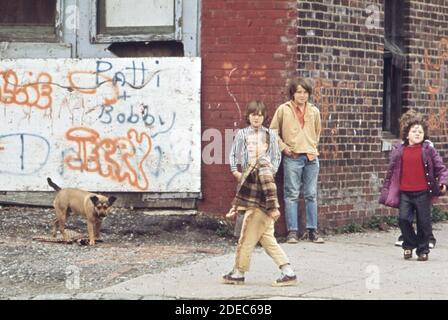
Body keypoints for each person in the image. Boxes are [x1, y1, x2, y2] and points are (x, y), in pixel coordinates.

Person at [223, 100, 297, 287]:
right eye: (253, 114)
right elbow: (245, 193)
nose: (257, 117)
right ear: (248, 116)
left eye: (260, 114)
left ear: (266, 145)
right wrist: (235, 204)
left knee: (246, 237)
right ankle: (288, 271)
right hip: (252, 190)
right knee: (267, 238)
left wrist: (273, 208)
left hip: (260, 204)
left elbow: (269, 190)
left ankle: (238, 273)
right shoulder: (244, 143)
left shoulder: (264, 165)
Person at [379, 110, 448, 261]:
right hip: (405, 192)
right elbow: (392, 172)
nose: (417, 134)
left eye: (420, 131)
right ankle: (409, 244)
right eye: (414, 131)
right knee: (403, 219)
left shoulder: (428, 150)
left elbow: (441, 168)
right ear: (407, 134)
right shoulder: (399, 150)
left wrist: (443, 182)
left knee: (424, 222)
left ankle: (423, 250)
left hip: (423, 192)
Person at [270, 78, 324, 244]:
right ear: (292, 93)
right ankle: (292, 232)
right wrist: (283, 147)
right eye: (299, 92)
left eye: (305, 92)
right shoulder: (283, 109)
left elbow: (317, 132)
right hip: (292, 157)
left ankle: (312, 231)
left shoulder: (314, 111)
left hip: (311, 158)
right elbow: (272, 131)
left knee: (311, 195)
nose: (302, 95)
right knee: (291, 194)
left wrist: (312, 147)